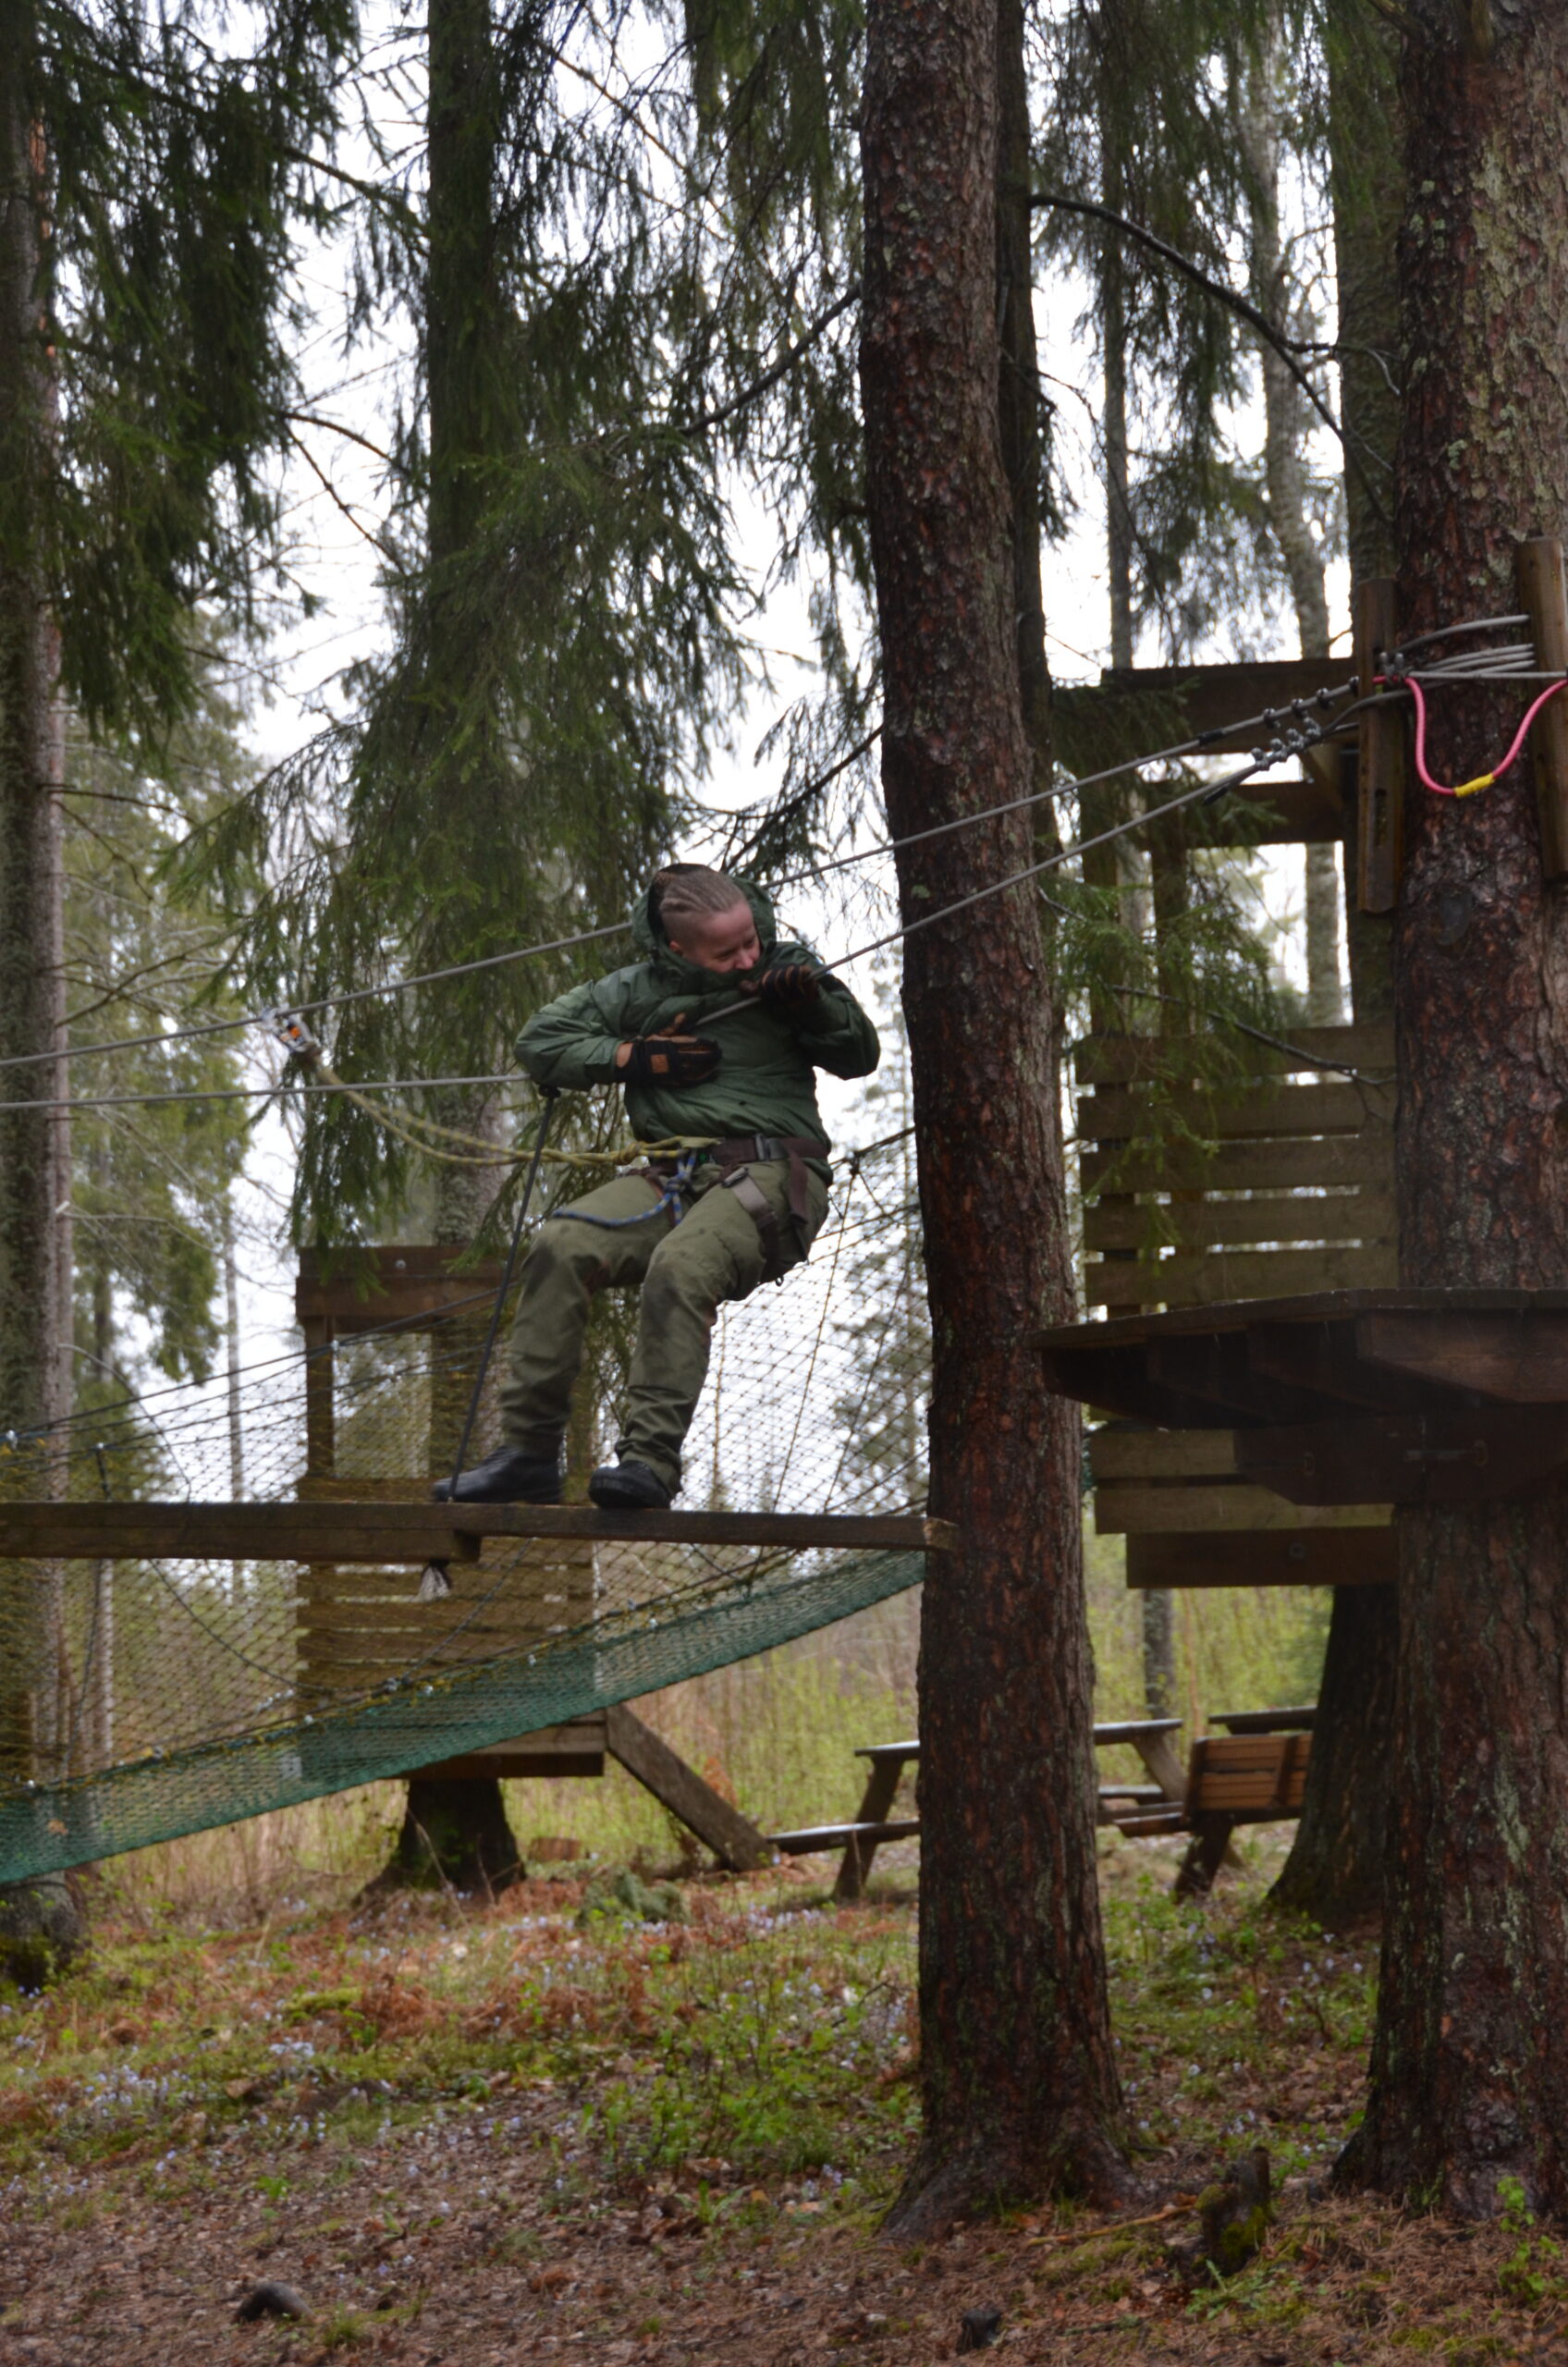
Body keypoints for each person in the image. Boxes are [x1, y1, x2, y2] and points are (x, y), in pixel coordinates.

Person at [434, 865, 880, 1510]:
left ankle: (648, 1463)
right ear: (678, 948)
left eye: (750, 940)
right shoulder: (637, 991)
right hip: (675, 1178)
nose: (746, 958)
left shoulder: (786, 970)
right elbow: (541, 1041)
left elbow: (859, 1054)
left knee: (681, 1265)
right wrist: (632, 1057)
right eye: (726, 953)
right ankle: (527, 1455)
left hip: (772, 1173)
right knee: (562, 1243)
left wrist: (811, 1005)